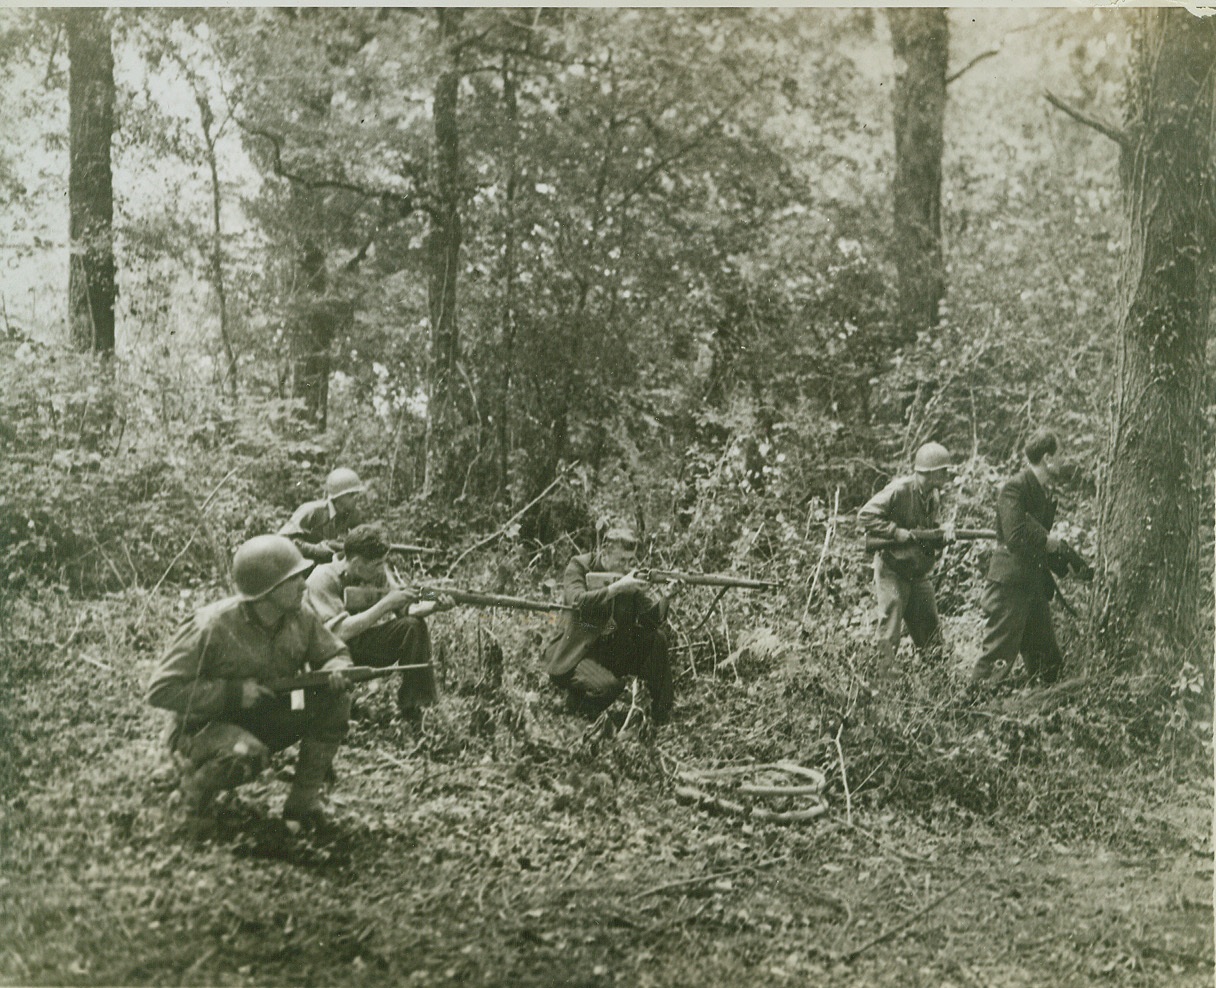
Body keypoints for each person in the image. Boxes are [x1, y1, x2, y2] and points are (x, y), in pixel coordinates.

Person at [147, 535, 353, 832]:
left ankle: (303, 805)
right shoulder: (212, 625)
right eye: (294, 579)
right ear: (267, 589)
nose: (304, 585)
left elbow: (334, 652)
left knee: (336, 699)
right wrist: (232, 694)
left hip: (265, 715)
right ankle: (187, 799)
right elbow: (161, 690)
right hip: (204, 728)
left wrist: (337, 669)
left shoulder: (300, 617)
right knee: (246, 754)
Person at [305, 523, 453, 725]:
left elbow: (405, 609)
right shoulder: (323, 578)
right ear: (357, 563)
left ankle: (417, 707)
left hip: (358, 645)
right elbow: (336, 634)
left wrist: (433, 605)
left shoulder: (377, 572)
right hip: (325, 656)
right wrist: (385, 604)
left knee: (413, 626)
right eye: (376, 564)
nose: (382, 569)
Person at [541, 524, 675, 725]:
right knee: (609, 688)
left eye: (631, 560)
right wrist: (617, 587)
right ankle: (576, 703)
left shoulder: (629, 576)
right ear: (604, 554)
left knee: (658, 640)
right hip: (579, 653)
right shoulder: (579, 566)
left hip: (613, 652)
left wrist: (666, 598)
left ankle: (660, 717)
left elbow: (649, 623)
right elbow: (577, 601)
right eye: (621, 560)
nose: (628, 566)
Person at [971, 429, 1067, 690]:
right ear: (1047, 458)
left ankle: (1043, 710)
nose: (1063, 460)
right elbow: (1015, 537)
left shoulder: (1042, 490)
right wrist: (1046, 540)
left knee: (1049, 664)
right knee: (996, 658)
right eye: (1060, 454)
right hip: (1010, 584)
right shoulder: (1016, 487)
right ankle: (968, 710)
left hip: (1032, 583)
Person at [858, 442, 954, 680]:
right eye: (943, 471)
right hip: (892, 568)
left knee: (930, 626)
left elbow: (926, 535)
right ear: (930, 472)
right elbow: (865, 515)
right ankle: (883, 681)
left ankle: (938, 680)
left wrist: (943, 533)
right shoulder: (899, 490)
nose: (947, 476)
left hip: (917, 571)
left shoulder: (933, 496)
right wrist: (893, 531)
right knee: (890, 627)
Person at [279, 467, 367, 563]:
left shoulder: (353, 514)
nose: (357, 498)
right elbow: (282, 542)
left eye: (357, 493)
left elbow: (363, 542)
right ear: (337, 497)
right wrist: (316, 550)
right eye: (351, 494)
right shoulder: (311, 511)